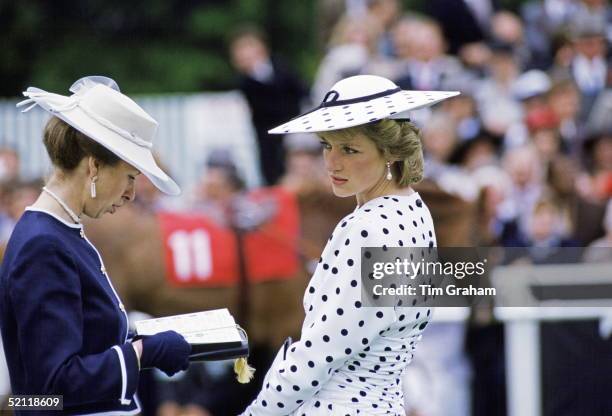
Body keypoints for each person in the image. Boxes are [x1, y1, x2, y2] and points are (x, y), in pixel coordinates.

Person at [239, 74, 459, 415]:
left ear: (390, 152)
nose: (332, 162)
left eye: (350, 149)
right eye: (327, 145)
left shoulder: (365, 228)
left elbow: (317, 356)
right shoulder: (417, 210)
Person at [0, 76, 192, 415]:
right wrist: (143, 353)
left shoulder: (61, 231)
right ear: (94, 166)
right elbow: (51, 389)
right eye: (130, 176)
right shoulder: (44, 244)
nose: (132, 193)